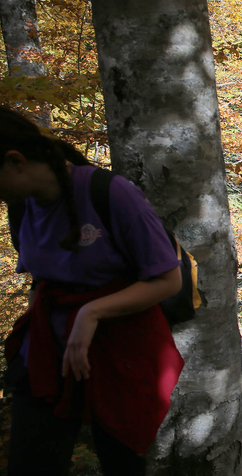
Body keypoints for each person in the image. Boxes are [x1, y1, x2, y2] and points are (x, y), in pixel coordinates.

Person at [1, 107, 185, 475]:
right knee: (30, 460)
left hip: (122, 354)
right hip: (48, 355)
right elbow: (42, 280)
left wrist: (91, 313)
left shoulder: (110, 193)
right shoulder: (21, 208)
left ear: (15, 161)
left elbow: (168, 280)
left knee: (121, 460)